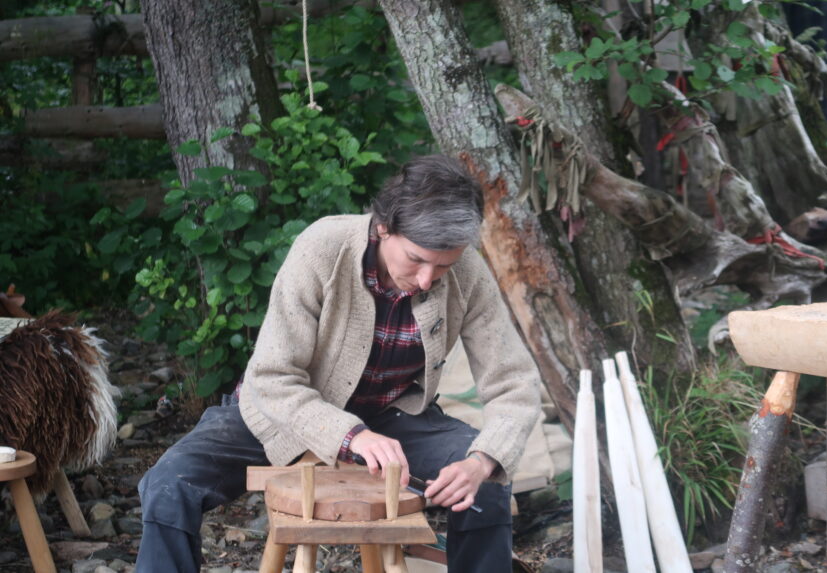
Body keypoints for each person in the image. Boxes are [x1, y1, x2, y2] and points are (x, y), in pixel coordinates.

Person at [137, 155, 542, 572]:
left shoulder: (468, 274)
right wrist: (351, 436)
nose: (427, 279)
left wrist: (481, 462)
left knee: (487, 485)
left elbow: (515, 383)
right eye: (416, 259)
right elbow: (273, 378)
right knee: (170, 484)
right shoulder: (322, 248)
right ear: (384, 226)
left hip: (390, 418)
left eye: (443, 265)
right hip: (283, 414)